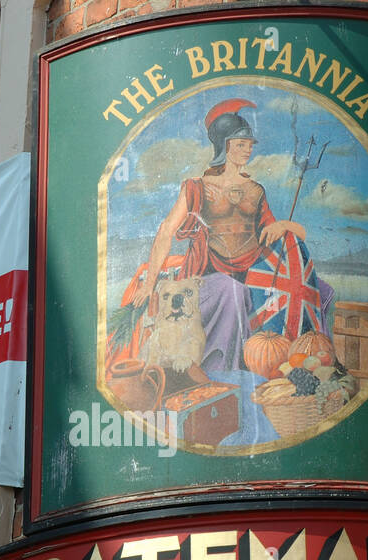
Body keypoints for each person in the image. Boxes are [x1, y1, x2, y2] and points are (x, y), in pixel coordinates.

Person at [133, 98, 332, 376]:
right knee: (231, 290)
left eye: (249, 145)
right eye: (240, 144)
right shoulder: (196, 188)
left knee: (320, 291)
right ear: (223, 146)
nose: (247, 150)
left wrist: (284, 224)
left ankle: (303, 368)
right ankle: (219, 372)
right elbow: (167, 230)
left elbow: (297, 235)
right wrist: (149, 284)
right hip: (207, 278)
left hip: (250, 272)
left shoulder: (256, 190)